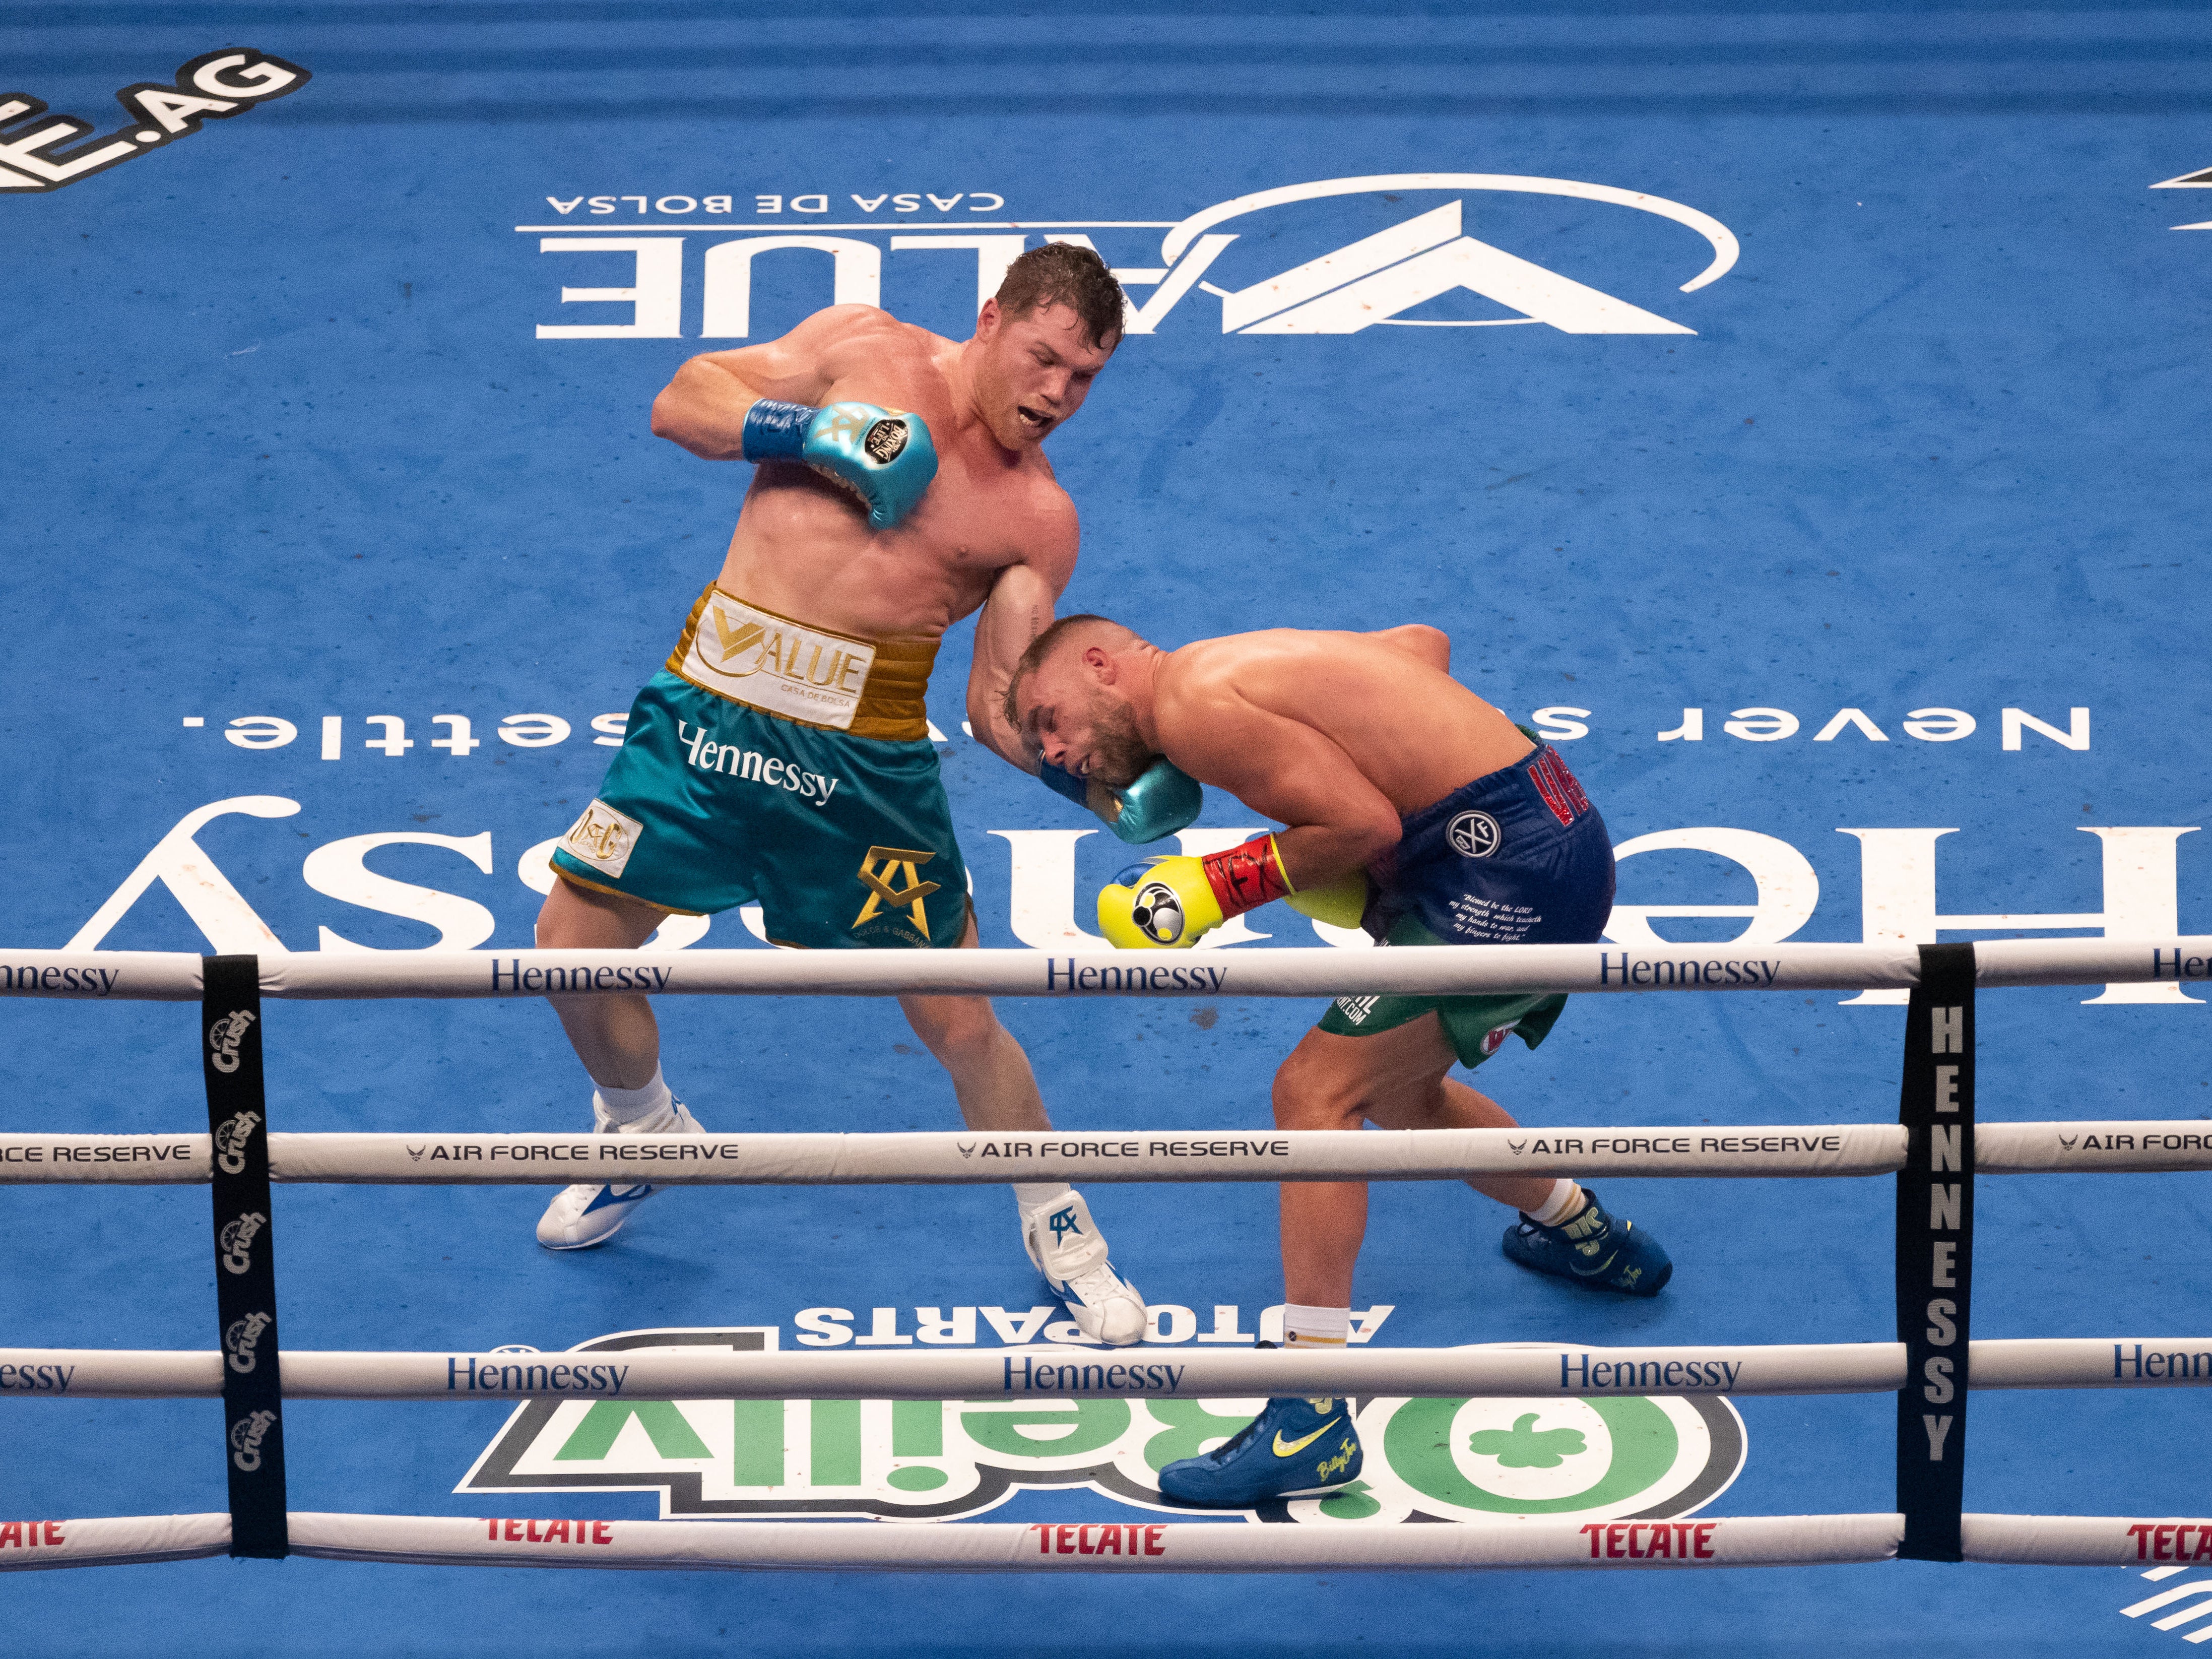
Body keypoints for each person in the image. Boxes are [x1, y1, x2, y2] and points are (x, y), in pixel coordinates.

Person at [533, 246, 1197, 1348]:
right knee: (567, 948)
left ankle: (1063, 1231)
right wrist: (804, 435)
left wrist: (1103, 796)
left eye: (1083, 380)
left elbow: (995, 703)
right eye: (1042, 360)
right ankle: (641, 1128)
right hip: (703, 718)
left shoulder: (1037, 519)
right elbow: (682, 401)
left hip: (862, 763)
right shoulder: (859, 345)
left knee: (957, 1015)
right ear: (991, 318)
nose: (1055, 396)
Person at [1003, 615, 1671, 1500]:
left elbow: (1358, 823)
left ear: (1102, 666)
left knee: (1312, 1096)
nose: (1057, 755)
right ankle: (1589, 1238)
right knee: (1400, 1097)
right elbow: (1422, 645)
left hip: (1504, 872)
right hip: (1540, 828)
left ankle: (1310, 1414)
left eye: (1052, 721)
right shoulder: (1232, 665)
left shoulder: (1196, 706)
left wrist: (1216, 884)